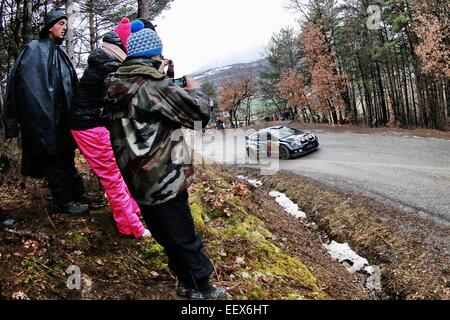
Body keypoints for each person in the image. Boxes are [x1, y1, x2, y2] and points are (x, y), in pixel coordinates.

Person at [104, 20, 226, 300]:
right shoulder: (152, 86)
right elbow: (197, 116)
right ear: (154, 56)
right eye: (160, 57)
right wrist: (194, 90)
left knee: (164, 233)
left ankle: (185, 280)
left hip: (136, 177)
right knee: (183, 235)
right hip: (164, 175)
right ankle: (199, 288)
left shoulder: (114, 82)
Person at [2, 9, 98, 216]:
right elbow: (27, 89)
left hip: (62, 120)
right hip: (44, 122)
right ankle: (63, 201)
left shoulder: (60, 53)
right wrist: (35, 122)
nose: (65, 27)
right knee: (53, 161)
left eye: (66, 23)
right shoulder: (34, 50)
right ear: (49, 26)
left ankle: (77, 192)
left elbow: (70, 85)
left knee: (67, 158)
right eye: (61, 23)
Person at [69, 25, 150, 239]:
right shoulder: (110, 67)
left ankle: (133, 211)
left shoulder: (105, 61)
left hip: (90, 124)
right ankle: (130, 226)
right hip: (90, 127)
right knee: (113, 177)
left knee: (118, 172)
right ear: (123, 46)